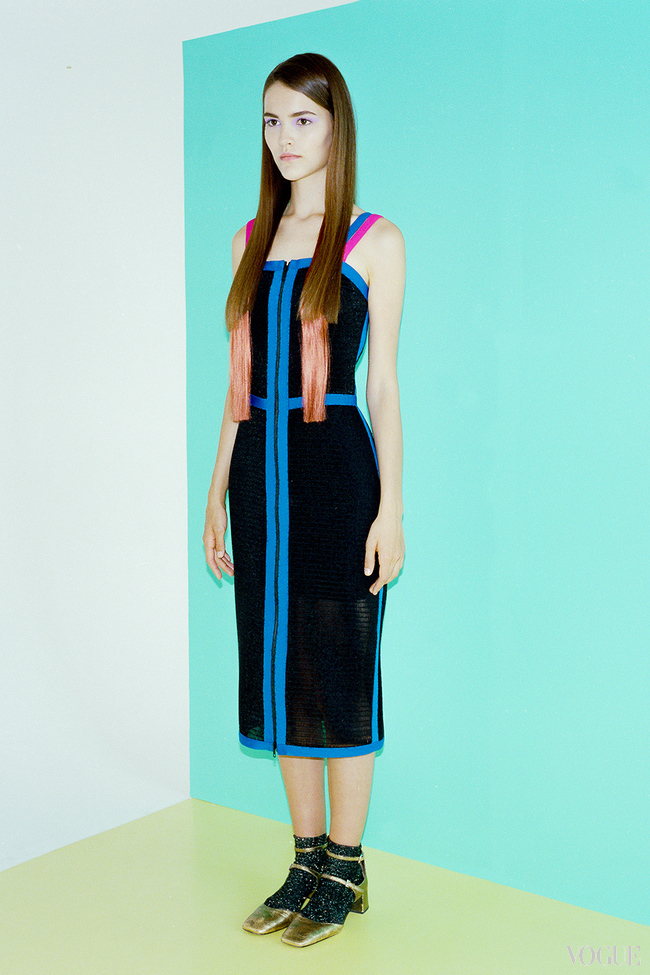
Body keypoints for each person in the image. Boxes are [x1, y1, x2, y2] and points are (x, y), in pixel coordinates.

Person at [203, 52, 405, 948]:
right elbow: (238, 387)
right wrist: (215, 493)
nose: (284, 137)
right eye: (271, 120)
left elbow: (384, 385)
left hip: (337, 476)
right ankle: (304, 858)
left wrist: (391, 508)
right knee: (279, 665)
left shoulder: (372, 240)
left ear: (336, 127)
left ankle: (346, 869)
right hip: (259, 478)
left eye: (304, 119)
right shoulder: (250, 238)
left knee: (341, 668)